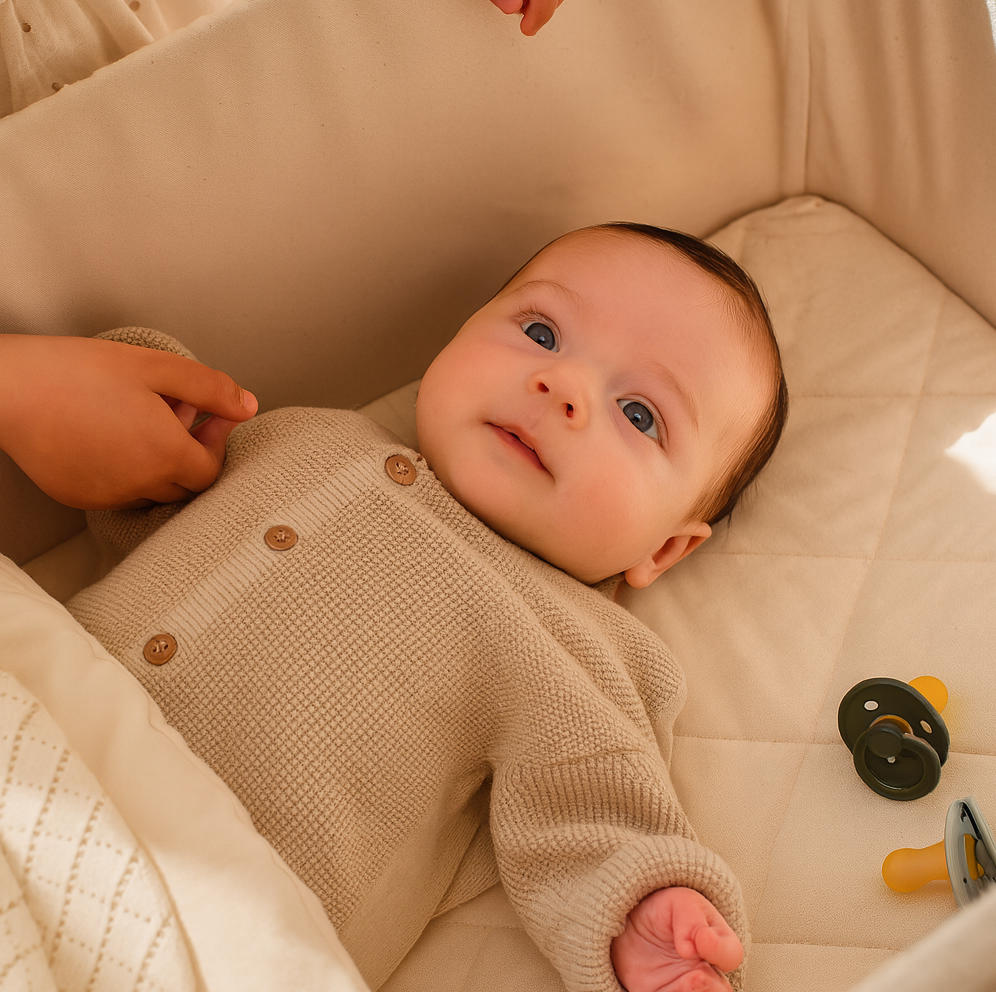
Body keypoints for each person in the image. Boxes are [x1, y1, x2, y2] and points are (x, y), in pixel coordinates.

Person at [0, 222, 787, 992]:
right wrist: (145, 393)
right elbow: (139, 499)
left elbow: (597, 820)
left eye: (640, 414)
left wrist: (649, 921)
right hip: (35, 744)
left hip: (196, 907)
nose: (563, 386)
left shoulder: (572, 645)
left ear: (663, 551)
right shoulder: (293, 438)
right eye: (542, 332)